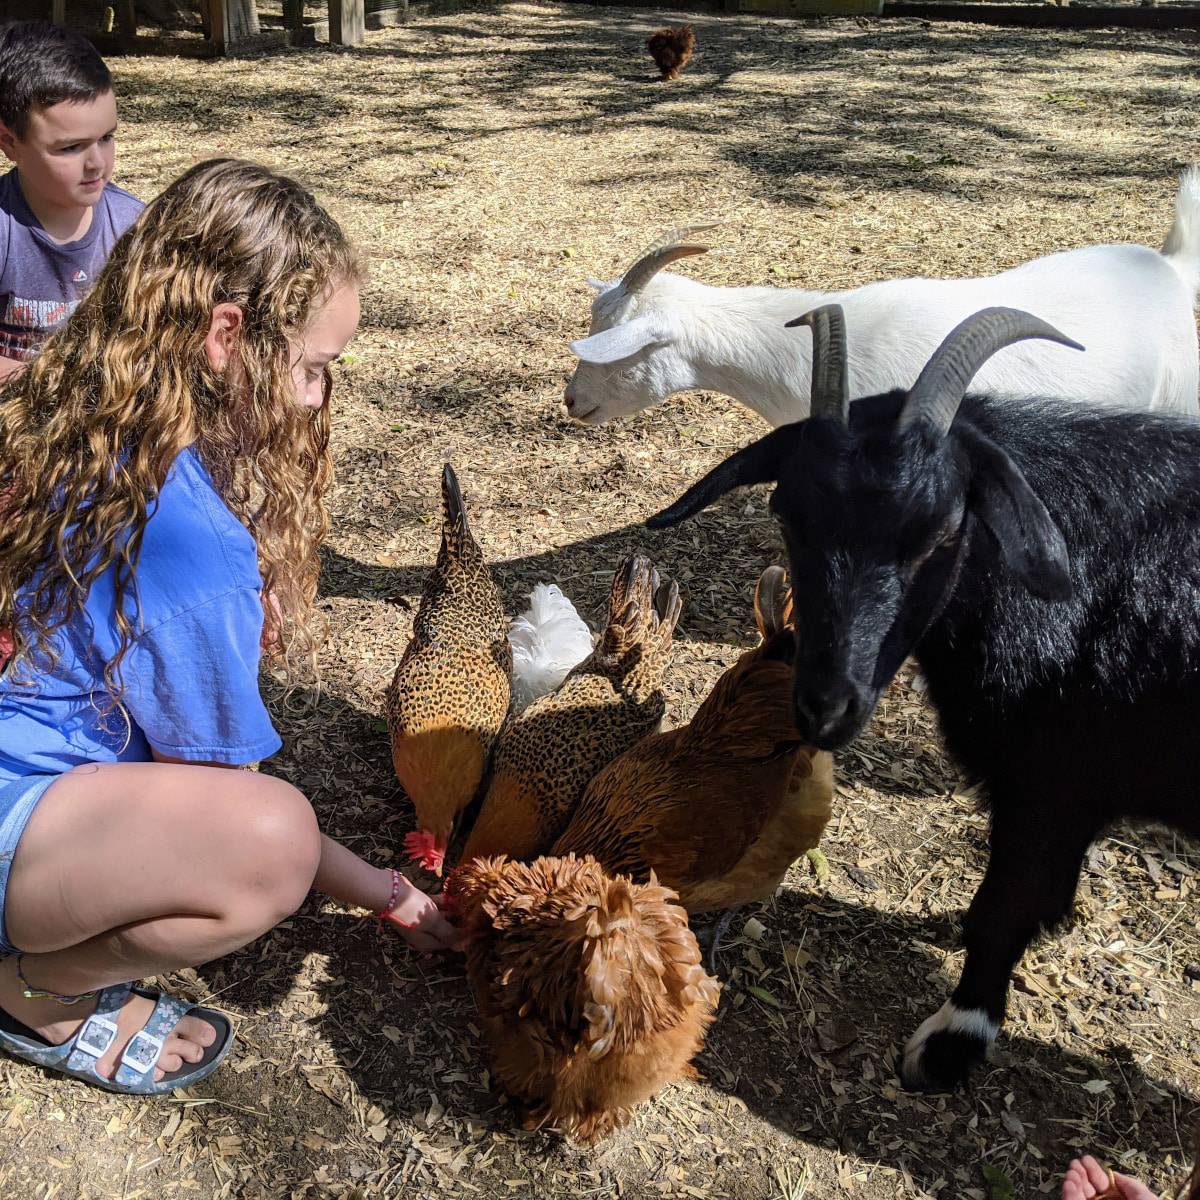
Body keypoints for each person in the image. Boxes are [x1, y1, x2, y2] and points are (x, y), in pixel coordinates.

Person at [0, 158, 457, 1097]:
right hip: (11, 818)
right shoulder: (191, 549)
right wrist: (388, 890)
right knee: (269, 843)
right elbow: (222, 803)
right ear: (225, 336)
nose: (318, 398)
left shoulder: (80, 410)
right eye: (313, 368)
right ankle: (31, 990)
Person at [0, 20, 143, 379]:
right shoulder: (5, 229)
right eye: (70, 147)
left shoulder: (132, 225)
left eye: (106, 137)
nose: (97, 163)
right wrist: (56, 387)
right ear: (9, 143)